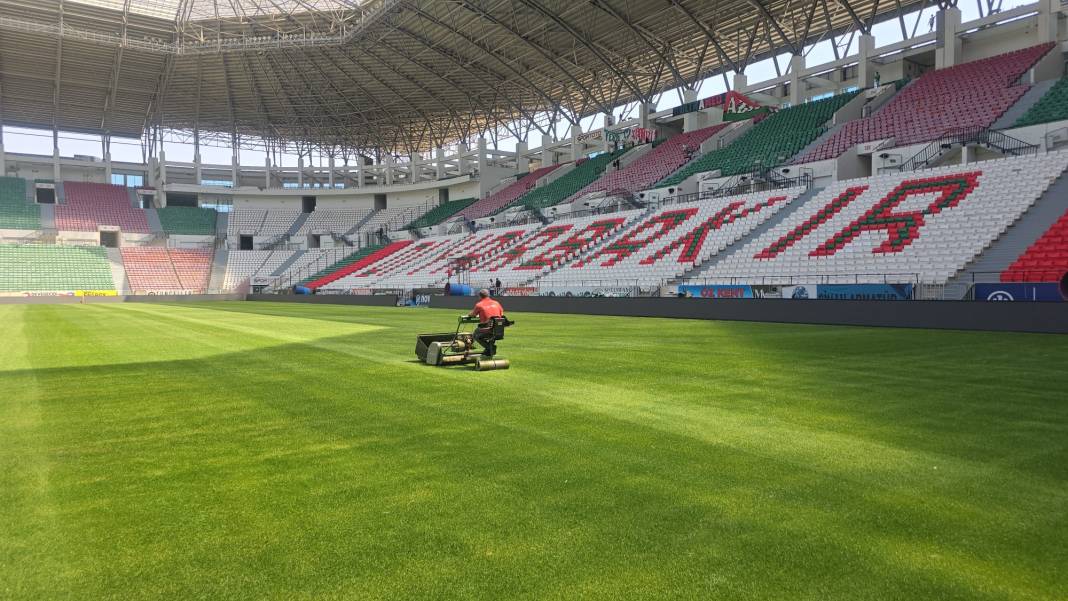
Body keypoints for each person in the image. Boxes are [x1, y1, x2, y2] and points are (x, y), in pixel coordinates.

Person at [468, 289, 505, 357]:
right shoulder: (497, 303)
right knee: (489, 334)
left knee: (476, 334)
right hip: (498, 329)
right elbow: (501, 315)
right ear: (488, 295)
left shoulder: (479, 305)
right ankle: (488, 350)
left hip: (487, 329)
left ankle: (489, 348)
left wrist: (469, 314)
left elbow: (472, 315)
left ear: (479, 296)